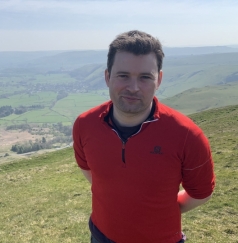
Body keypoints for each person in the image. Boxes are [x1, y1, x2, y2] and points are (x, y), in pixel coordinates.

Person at [72, 30, 215, 243]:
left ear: (159, 80)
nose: (134, 87)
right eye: (123, 75)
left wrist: (158, 208)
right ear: (107, 76)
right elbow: (89, 170)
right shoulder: (85, 124)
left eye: (145, 77)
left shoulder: (187, 135)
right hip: (101, 235)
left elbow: (201, 193)